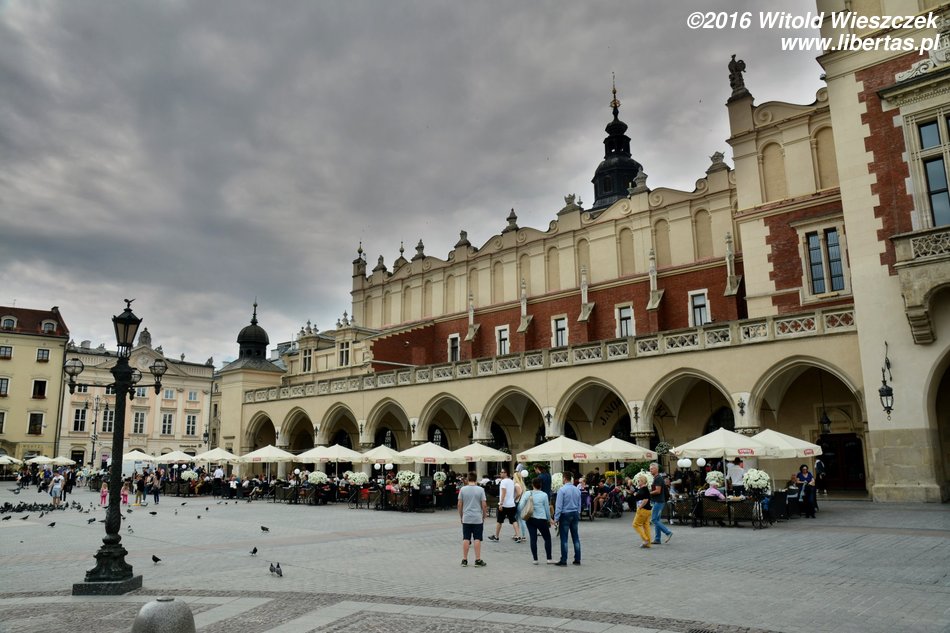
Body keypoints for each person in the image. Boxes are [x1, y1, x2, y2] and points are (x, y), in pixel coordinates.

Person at [520, 477, 554, 564]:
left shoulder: (527, 493)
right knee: (547, 538)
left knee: (533, 539)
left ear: (532, 485)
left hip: (530, 518)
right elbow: (546, 509)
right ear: (541, 485)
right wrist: (549, 519)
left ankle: (535, 559)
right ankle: (549, 558)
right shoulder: (544, 495)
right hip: (541, 519)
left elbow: (521, 505)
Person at [457, 470, 487, 567]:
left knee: (466, 538)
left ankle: (464, 559)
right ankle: (477, 560)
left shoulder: (463, 489)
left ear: (468, 479)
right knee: (477, 538)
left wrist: (461, 516)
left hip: (466, 517)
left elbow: (459, 504)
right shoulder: (480, 490)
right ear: (476, 479)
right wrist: (484, 515)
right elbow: (484, 504)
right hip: (477, 518)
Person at [554, 471, 581, 566]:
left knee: (564, 538)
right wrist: (578, 512)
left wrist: (556, 518)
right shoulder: (577, 489)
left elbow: (559, 506)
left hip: (565, 514)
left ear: (564, 478)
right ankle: (577, 559)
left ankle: (564, 559)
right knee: (575, 537)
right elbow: (579, 504)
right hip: (575, 513)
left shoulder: (562, 490)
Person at [489, 469, 521, 542]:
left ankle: (496, 536)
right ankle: (518, 536)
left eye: (502, 472)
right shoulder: (512, 481)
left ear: (506, 473)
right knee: (513, 520)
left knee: (499, 521)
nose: (500, 473)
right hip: (511, 504)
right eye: (501, 472)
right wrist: (513, 499)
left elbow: (504, 492)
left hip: (504, 504)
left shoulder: (503, 482)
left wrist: (501, 503)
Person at [648, 463, 674, 545]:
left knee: (654, 519)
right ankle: (657, 539)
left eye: (652, 469)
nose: (650, 470)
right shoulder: (656, 478)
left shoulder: (658, 478)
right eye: (650, 469)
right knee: (657, 520)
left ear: (656, 469)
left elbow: (658, 491)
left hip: (659, 501)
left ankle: (668, 532)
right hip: (658, 501)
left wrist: (648, 493)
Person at [631, 473, 653, 548]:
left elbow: (645, 499)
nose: (638, 482)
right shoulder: (643, 489)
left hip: (643, 510)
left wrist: (640, 507)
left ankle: (645, 539)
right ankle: (648, 543)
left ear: (643, 481)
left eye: (639, 481)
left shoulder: (644, 489)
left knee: (635, 524)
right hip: (648, 510)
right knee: (646, 526)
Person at [512, 469, 528, 543]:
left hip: (518, 503)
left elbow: (519, 493)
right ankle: (517, 534)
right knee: (518, 519)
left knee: (519, 519)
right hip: (522, 503)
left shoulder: (516, 485)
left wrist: (514, 499)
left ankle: (521, 535)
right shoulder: (522, 484)